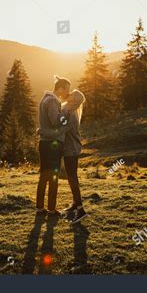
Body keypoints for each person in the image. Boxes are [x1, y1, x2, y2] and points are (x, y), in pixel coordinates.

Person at [39, 89, 87, 224]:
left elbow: (59, 130)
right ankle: (74, 204)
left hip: (71, 150)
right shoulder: (68, 110)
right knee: (72, 177)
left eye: (72, 94)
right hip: (69, 149)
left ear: (75, 99)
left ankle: (80, 210)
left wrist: (43, 132)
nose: (69, 94)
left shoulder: (70, 114)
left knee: (72, 178)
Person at [36, 76, 71, 216]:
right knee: (53, 176)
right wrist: (67, 112)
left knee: (44, 175)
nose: (67, 93)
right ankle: (51, 209)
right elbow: (57, 121)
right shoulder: (52, 101)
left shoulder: (45, 99)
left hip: (44, 142)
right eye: (66, 90)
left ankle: (39, 208)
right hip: (52, 144)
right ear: (60, 88)